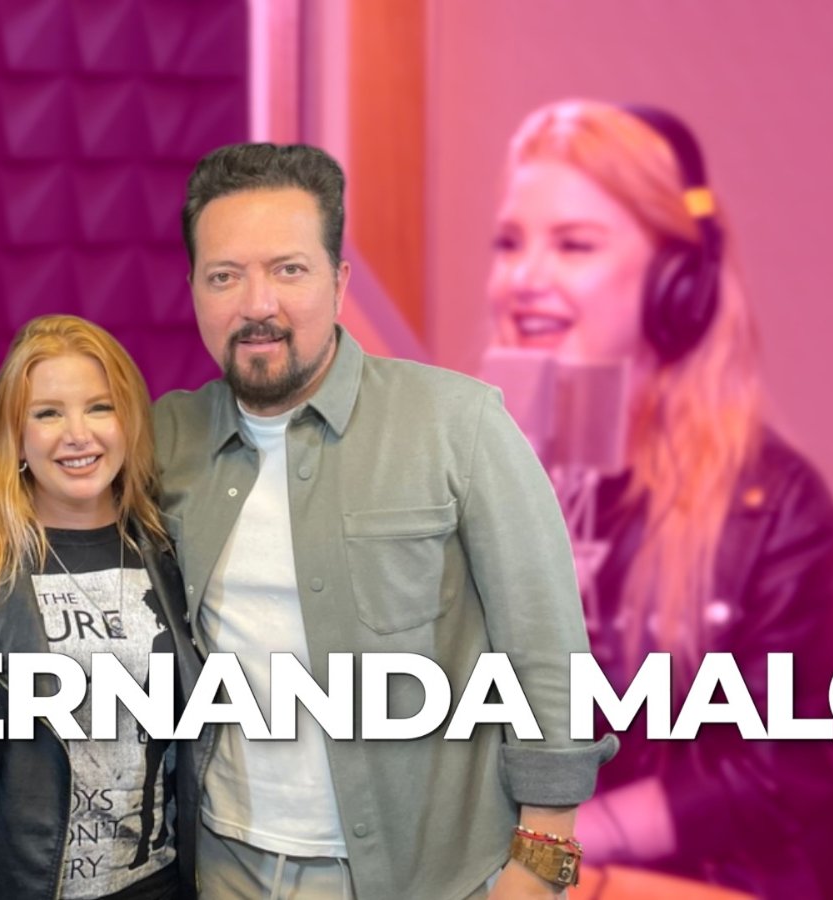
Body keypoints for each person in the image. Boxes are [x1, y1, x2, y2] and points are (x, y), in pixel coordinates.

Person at [153, 142, 616, 900]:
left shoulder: (459, 423)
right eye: (224, 276)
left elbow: (546, 651)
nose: (257, 304)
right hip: (224, 866)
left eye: (288, 270)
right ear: (195, 291)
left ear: (338, 283)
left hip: (426, 880)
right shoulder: (164, 440)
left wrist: (540, 867)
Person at [485, 99, 833, 898]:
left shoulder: (775, 508)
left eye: (574, 245)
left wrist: (552, 852)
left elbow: (775, 769)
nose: (524, 279)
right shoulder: (474, 476)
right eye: (510, 243)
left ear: (676, 285)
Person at [0, 315, 195, 900]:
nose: (78, 434)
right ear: (16, 435)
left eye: (100, 408)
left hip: (158, 885)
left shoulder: (172, 552)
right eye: (48, 413)